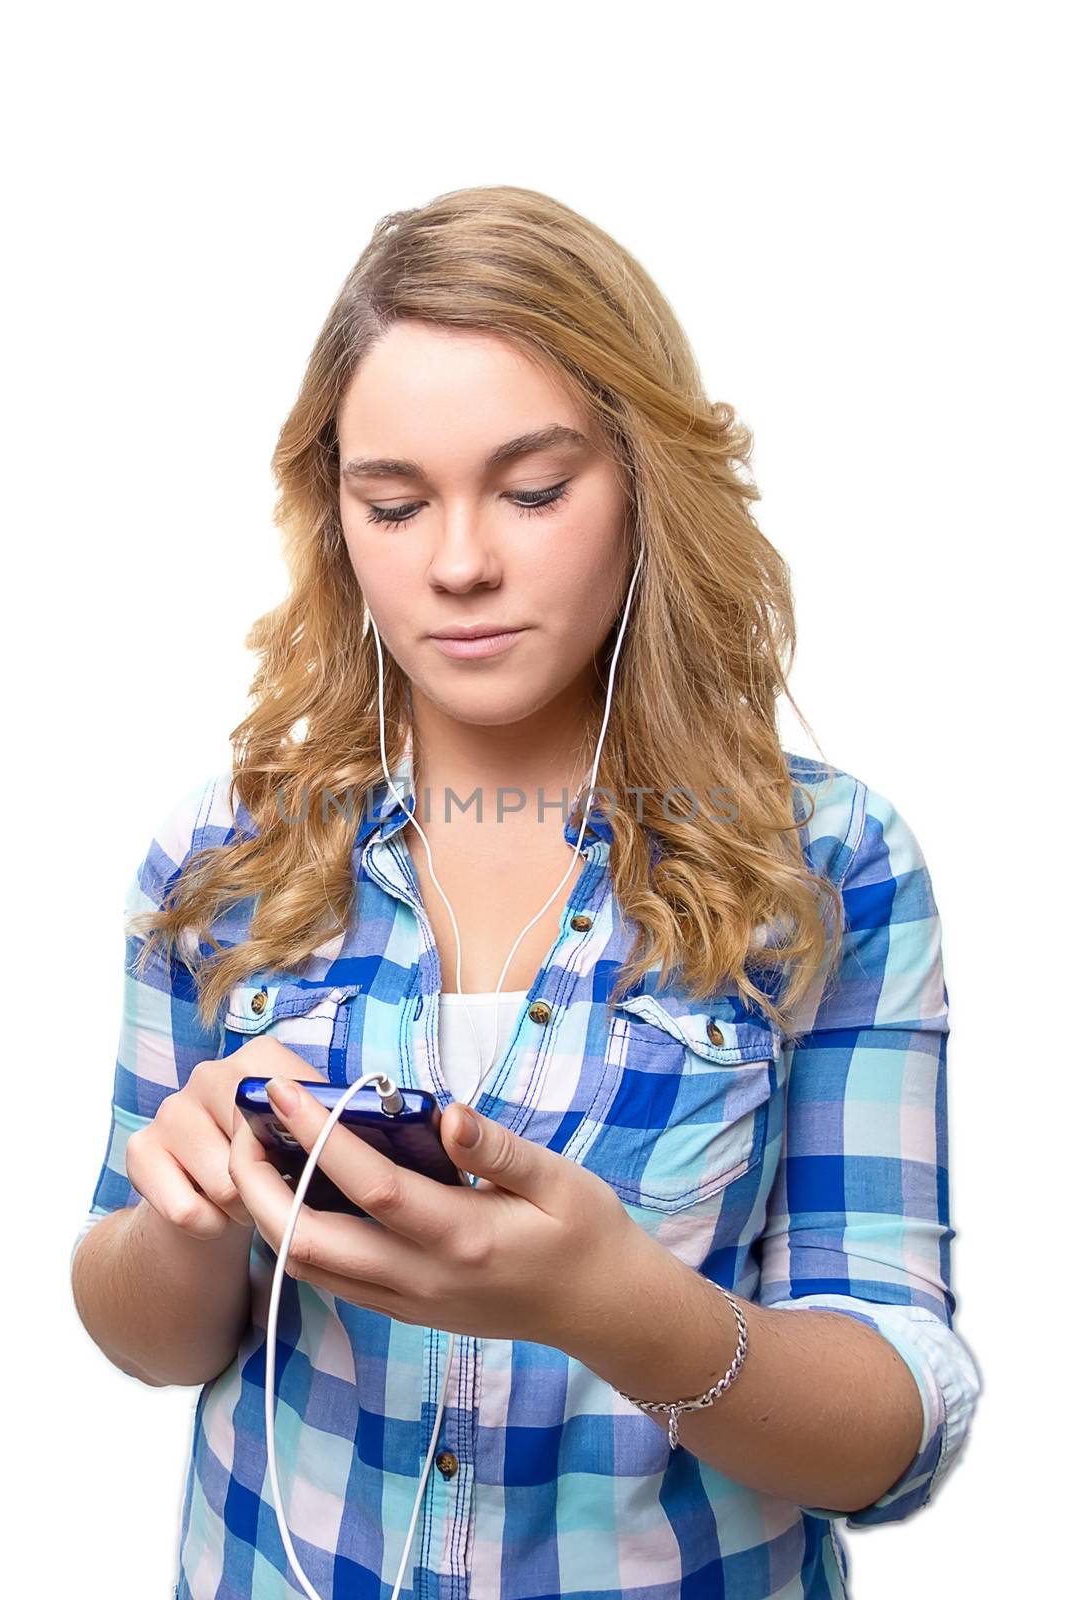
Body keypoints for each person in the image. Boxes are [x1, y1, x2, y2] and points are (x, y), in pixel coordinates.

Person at [69, 184, 981, 1600]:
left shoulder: (827, 870)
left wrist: (614, 1311)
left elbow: (892, 1430)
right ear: (335, 518)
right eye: (392, 501)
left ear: (643, 484)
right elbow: (149, 1336)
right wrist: (180, 1223)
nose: (457, 563)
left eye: (534, 489)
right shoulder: (223, 863)